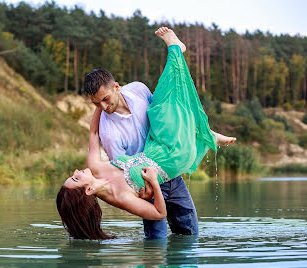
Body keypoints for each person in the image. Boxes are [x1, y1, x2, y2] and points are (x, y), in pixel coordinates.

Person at [56, 27, 236, 240]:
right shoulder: (117, 178)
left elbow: (92, 133)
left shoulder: (137, 90)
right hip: (156, 177)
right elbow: (157, 210)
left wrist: (96, 106)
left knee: (167, 104)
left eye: (105, 99)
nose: (77, 170)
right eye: (76, 177)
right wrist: (151, 187)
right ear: (86, 190)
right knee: (158, 240)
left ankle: (203, 131)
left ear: (116, 87)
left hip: (161, 153)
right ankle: (206, 135)